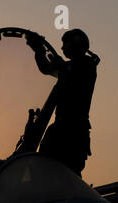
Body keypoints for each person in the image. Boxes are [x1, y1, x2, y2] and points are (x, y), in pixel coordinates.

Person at [26, 29, 100, 177]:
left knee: (67, 176)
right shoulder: (70, 67)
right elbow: (46, 68)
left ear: (75, 45)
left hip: (73, 133)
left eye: (65, 44)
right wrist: (38, 49)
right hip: (62, 129)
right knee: (44, 171)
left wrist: (60, 64)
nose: (62, 48)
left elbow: (69, 74)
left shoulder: (87, 66)